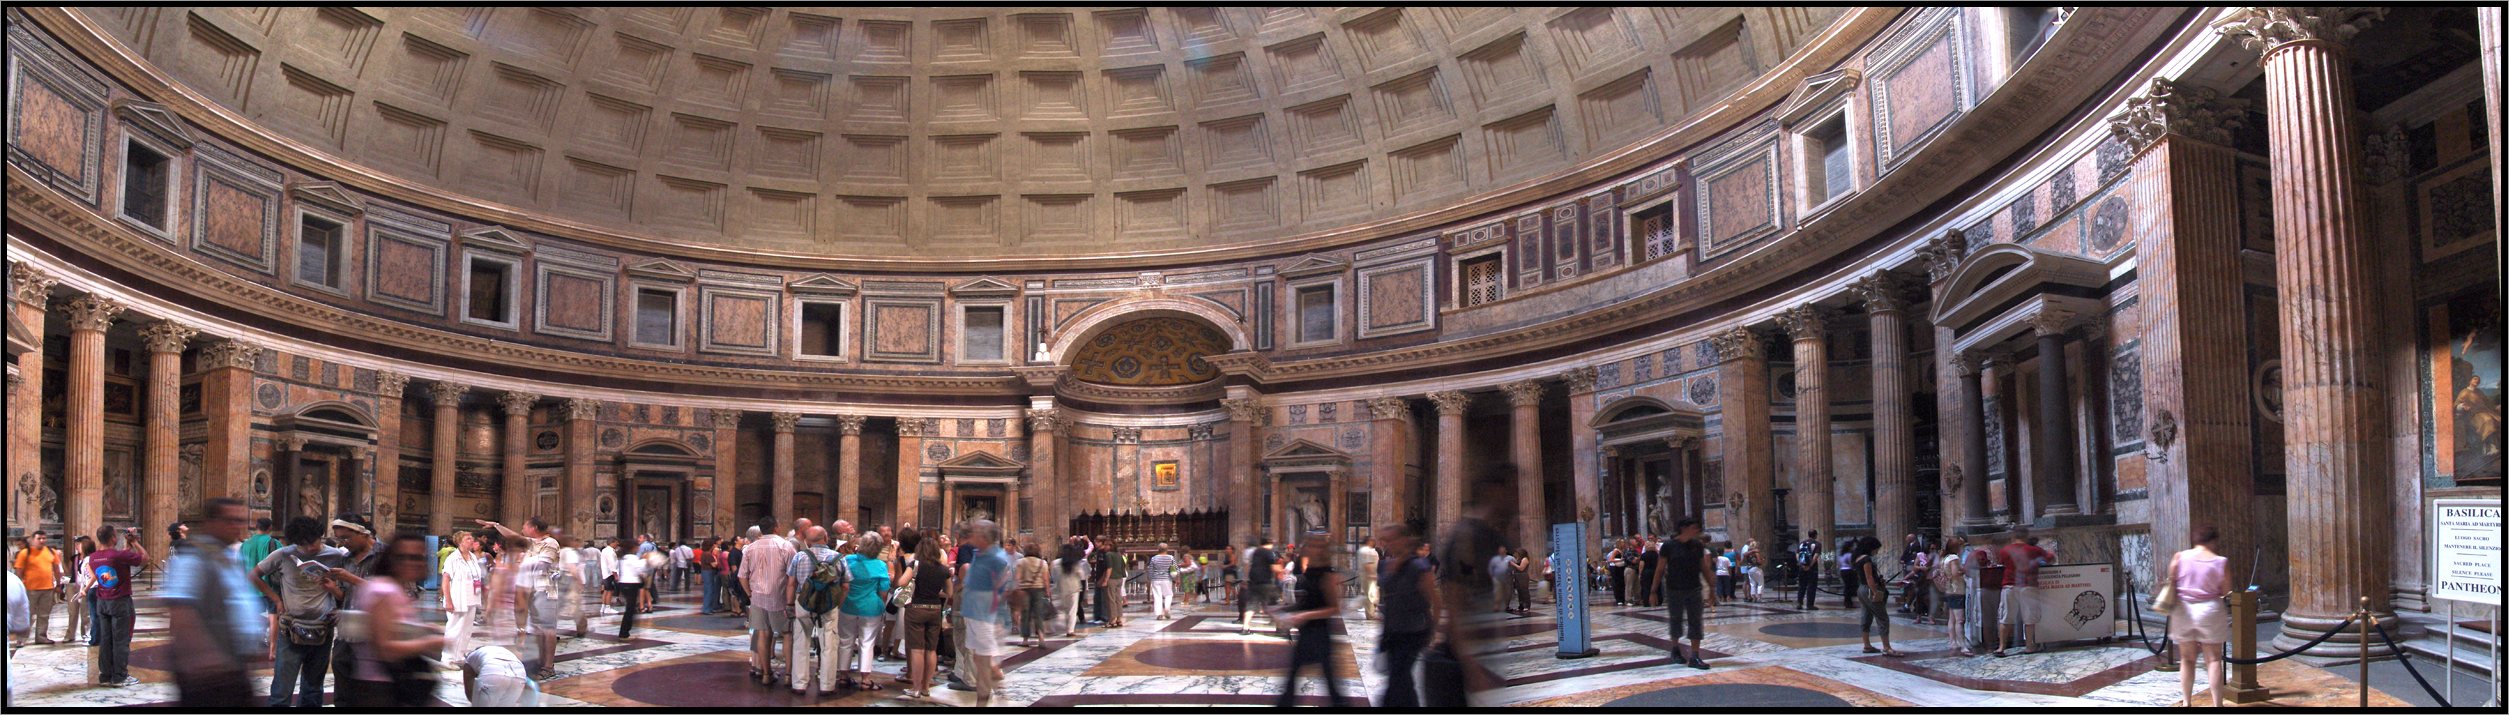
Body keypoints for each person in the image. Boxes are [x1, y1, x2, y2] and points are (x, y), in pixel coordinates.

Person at [163, 499, 263, 707]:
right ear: (211, 522)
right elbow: (181, 610)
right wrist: (206, 657)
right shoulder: (193, 557)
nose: (237, 526)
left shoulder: (228, 555)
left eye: (240, 521)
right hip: (209, 674)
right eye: (230, 520)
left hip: (233, 667)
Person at [252, 516, 350, 707]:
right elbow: (254, 575)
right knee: (282, 688)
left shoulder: (336, 556)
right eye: (303, 545)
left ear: (319, 536)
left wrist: (333, 589)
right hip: (290, 629)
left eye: (312, 542)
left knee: (313, 689)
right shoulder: (283, 554)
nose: (310, 548)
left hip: (322, 628)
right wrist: (276, 599)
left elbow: (346, 592)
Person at [341, 532, 446, 707]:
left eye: (418, 557)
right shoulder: (384, 590)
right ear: (391, 559)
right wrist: (429, 642)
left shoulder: (394, 589)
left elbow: (392, 628)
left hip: (387, 684)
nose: (411, 563)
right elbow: (385, 648)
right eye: (404, 557)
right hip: (380, 688)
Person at [475, 517, 561, 680]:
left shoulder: (550, 543)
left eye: (524, 527)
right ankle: (539, 662)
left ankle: (549, 666)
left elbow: (543, 564)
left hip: (545, 589)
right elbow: (514, 536)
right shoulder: (533, 541)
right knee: (537, 629)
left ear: (533, 528)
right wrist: (496, 525)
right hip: (531, 589)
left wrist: (516, 568)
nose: (522, 530)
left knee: (547, 629)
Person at [1275, 532, 1352, 707]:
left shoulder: (1328, 575)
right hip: (1307, 633)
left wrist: (1304, 615)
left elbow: (1333, 608)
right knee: (1296, 682)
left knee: (1330, 687)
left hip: (1320, 634)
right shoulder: (1310, 572)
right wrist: (1283, 609)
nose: (1311, 548)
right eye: (1309, 545)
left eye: (1316, 545)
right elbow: (1308, 601)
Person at [2167, 524, 2231, 707]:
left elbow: (2171, 579)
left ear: (2195, 539)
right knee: (2213, 660)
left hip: (2183, 610)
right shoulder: (2220, 561)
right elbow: (2226, 591)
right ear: (2213, 541)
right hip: (2209, 610)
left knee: (2187, 659)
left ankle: (2187, 702)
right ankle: (2217, 705)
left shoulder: (2180, 557)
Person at [1374, 522, 1437, 708]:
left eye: (1391, 540)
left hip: (1413, 632)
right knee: (1404, 683)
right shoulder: (1388, 565)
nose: (1388, 544)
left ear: (1404, 540)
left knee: (1396, 680)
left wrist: (1433, 629)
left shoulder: (1419, 566)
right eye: (1386, 540)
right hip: (1393, 631)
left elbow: (1435, 600)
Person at [958, 521, 1016, 706]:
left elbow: (1006, 585)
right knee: (979, 660)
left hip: (986, 616)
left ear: (983, 536)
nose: (970, 534)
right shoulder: (978, 553)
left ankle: (985, 702)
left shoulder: (996, 557)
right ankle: (998, 693)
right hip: (973, 614)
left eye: (974, 532)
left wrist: (999, 617)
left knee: (983, 663)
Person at [85, 525, 147, 687]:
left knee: (106, 639)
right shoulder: (119, 556)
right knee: (121, 640)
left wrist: (127, 548)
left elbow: (117, 560)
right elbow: (145, 558)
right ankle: (119, 676)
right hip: (119, 601)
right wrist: (135, 542)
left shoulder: (93, 557)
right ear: (113, 538)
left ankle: (105, 675)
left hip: (102, 601)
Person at [788, 526, 844, 695]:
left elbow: (791, 583)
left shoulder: (800, 556)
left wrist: (789, 605)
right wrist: (838, 604)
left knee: (800, 643)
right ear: (826, 538)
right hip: (828, 605)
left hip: (803, 603)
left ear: (806, 541)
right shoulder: (839, 558)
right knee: (829, 645)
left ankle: (799, 684)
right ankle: (827, 685)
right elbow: (846, 585)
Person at [1660, 518, 1718, 669]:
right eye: (1693, 528)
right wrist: (1653, 591)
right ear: (1683, 528)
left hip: (1694, 588)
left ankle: (1694, 656)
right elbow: (1660, 569)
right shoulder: (1669, 546)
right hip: (1674, 589)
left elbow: (1704, 568)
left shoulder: (1697, 545)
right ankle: (1675, 650)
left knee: (1695, 621)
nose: (1696, 530)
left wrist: (1712, 588)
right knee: (1676, 620)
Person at [898, 536, 951, 701]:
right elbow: (948, 593)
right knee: (931, 649)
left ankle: (915, 687)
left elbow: (901, 582)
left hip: (916, 609)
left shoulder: (915, 565)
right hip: (935, 609)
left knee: (917, 649)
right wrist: (934, 592)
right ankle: (926, 688)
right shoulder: (944, 570)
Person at [836, 532, 891, 691]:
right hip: (871, 608)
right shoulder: (881, 565)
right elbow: (883, 590)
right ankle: (866, 680)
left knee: (845, 641)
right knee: (867, 643)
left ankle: (843, 677)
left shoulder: (847, 560)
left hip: (847, 605)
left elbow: (840, 583)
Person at [739, 525, 794, 684]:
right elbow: (793, 575)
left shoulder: (750, 548)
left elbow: (742, 575)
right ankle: (789, 676)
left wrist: (750, 594)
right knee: (787, 634)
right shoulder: (785, 545)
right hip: (781, 597)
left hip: (758, 597)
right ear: (777, 528)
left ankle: (766, 674)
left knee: (762, 633)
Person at [1995, 531, 2053, 656]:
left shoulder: (2005, 550)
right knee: (2029, 618)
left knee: (2005, 618)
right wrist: (2050, 546)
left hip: (2009, 585)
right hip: (2028, 586)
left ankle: (2001, 648)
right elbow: (2051, 559)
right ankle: (2029, 647)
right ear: (2026, 537)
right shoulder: (2034, 550)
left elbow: (2001, 562)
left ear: (2013, 537)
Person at [9, 532, 62, 647]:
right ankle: (21, 638)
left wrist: (58, 584)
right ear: (33, 540)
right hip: (30, 589)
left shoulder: (50, 552)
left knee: (44, 614)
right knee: (26, 614)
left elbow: (57, 569)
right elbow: (19, 571)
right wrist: (19, 586)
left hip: (47, 588)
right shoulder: (25, 553)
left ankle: (41, 637)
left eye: (44, 538)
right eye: (39, 538)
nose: (42, 541)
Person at [1854, 536, 1904, 657]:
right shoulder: (1866, 559)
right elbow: (1869, 577)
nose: (1876, 551)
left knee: (1866, 616)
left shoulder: (1858, 558)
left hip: (1861, 589)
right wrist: (1875, 592)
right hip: (1869, 589)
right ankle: (1886, 647)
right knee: (1882, 617)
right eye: (1876, 549)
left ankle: (1867, 645)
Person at [441, 531, 484, 666]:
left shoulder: (472, 557)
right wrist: (448, 600)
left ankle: (459, 656)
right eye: (468, 539)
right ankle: (447, 658)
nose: (472, 541)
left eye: (472, 538)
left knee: (466, 630)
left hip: (471, 597)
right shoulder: (453, 558)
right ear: (460, 542)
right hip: (457, 598)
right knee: (454, 629)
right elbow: (446, 580)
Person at [462, 644, 542, 707]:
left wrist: (479, 700)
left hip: (493, 671)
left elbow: (469, 692)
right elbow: (531, 686)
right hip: (519, 673)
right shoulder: (502, 652)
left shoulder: (470, 660)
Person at [1933, 536, 1974, 656]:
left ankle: (1953, 642)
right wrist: (1964, 571)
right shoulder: (1954, 558)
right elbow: (1955, 573)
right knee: (1960, 620)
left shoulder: (1945, 558)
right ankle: (1963, 646)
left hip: (1950, 590)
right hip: (1957, 590)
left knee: (1952, 618)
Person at [1239, 536, 1280, 635]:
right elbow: (1274, 568)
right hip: (1265, 582)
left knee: (1252, 605)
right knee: (1273, 605)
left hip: (1254, 582)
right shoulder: (1268, 552)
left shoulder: (1256, 552)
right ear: (1270, 543)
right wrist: (1281, 568)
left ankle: (1245, 627)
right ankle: (1280, 627)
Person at [1016, 543, 1050, 645]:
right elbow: (1045, 579)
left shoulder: (1021, 562)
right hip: (1039, 589)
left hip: (1025, 590)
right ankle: (1041, 637)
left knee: (1025, 615)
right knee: (1038, 614)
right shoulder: (1043, 563)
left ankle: (1025, 640)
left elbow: (1017, 578)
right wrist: (1047, 590)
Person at [615, 535, 647, 640]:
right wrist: (645, 560)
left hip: (624, 584)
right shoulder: (632, 557)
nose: (638, 548)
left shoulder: (624, 557)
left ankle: (626, 631)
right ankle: (624, 633)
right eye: (637, 546)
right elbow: (639, 568)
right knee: (630, 609)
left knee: (630, 608)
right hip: (631, 584)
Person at [1052, 540, 1086, 637]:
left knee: (1065, 607)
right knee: (1073, 609)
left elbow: (1055, 576)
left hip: (1063, 586)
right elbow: (1081, 575)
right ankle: (1070, 630)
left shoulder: (1057, 563)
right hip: (1074, 587)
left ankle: (1063, 621)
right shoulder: (1075, 563)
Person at [1147, 544, 1180, 620]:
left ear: (1158, 549)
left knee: (1157, 596)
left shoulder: (1154, 558)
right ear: (1167, 549)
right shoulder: (1171, 558)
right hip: (1166, 579)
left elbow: (1150, 571)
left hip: (1155, 579)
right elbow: (1177, 569)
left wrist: (1148, 581)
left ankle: (1159, 614)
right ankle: (1166, 608)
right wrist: (1178, 579)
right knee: (1168, 595)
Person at [1794, 530, 1823, 610]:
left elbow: (1797, 555)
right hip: (1812, 568)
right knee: (1811, 586)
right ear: (1815, 535)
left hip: (1802, 567)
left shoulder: (1802, 543)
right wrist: (1810, 566)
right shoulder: (1817, 544)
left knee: (1801, 585)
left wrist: (1801, 565)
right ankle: (1810, 604)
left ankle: (1799, 602)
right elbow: (1815, 556)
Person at [1354, 538, 1381, 620]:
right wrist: (1372, 574)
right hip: (1369, 576)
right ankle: (1370, 615)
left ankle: (1369, 612)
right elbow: (1368, 563)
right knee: (1371, 595)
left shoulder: (1361, 550)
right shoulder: (1369, 551)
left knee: (1369, 594)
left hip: (1363, 575)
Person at [1604, 539, 1628, 606]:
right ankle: (1618, 599)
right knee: (1617, 583)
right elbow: (1611, 559)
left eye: (1624, 542)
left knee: (1622, 583)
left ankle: (1623, 598)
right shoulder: (1616, 551)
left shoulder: (1624, 550)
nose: (1623, 544)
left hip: (1622, 568)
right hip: (1616, 568)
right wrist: (1619, 560)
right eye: (1622, 542)